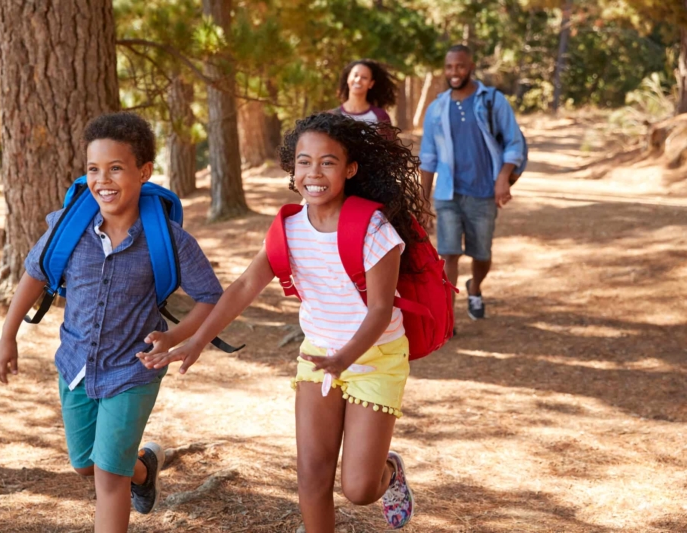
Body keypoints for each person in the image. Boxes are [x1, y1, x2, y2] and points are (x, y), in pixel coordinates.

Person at [139, 113, 433, 531]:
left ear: (349, 169)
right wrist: (198, 339)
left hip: (375, 356)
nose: (314, 172)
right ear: (292, 169)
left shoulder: (373, 228)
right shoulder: (289, 229)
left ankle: (388, 472)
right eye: (304, 161)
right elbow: (243, 286)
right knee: (311, 477)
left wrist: (346, 358)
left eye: (328, 162)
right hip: (318, 355)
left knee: (359, 489)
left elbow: (381, 310)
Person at [0, 112, 223, 533]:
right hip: (75, 366)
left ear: (144, 172)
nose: (103, 179)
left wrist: (173, 336)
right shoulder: (69, 229)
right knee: (85, 464)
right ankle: (143, 469)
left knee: (107, 478)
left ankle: (125, 471)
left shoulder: (168, 238)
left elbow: (211, 297)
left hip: (133, 370)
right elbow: (34, 273)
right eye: (93, 169)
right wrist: (8, 336)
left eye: (116, 168)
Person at [419, 44, 525, 322]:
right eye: (449, 67)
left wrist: (503, 178)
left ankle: (475, 287)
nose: (454, 72)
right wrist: (422, 200)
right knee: (448, 254)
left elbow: (514, 143)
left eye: (460, 66)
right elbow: (428, 158)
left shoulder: (492, 101)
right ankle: (448, 318)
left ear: (471, 67)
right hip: (448, 194)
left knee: (481, 254)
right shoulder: (437, 108)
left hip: (483, 192)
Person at [331, 59, 397, 129]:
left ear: (371, 84)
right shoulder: (332, 116)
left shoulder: (380, 116)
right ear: (348, 78)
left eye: (364, 77)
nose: (358, 80)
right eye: (355, 75)